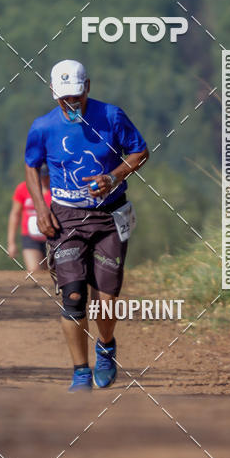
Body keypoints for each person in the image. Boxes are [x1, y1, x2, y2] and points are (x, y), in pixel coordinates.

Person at [24, 59, 149, 391]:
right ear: (53, 92)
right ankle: (80, 371)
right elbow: (31, 166)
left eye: (76, 95)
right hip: (66, 219)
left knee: (105, 299)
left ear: (88, 88)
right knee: (74, 295)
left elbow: (140, 152)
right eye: (64, 97)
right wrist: (41, 208)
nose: (71, 103)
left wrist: (113, 176)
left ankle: (106, 347)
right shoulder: (43, 127)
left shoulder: (111, 116)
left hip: (109, 216)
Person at [7, 167, 52, 273]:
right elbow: (15, 214)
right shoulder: (23, 188)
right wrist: (11, 243)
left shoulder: (56, 190)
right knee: (34, 271)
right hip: (30, 237)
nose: (43, 180)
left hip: (53, 237)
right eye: (41, 176)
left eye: (46, 176)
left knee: (52, 272)